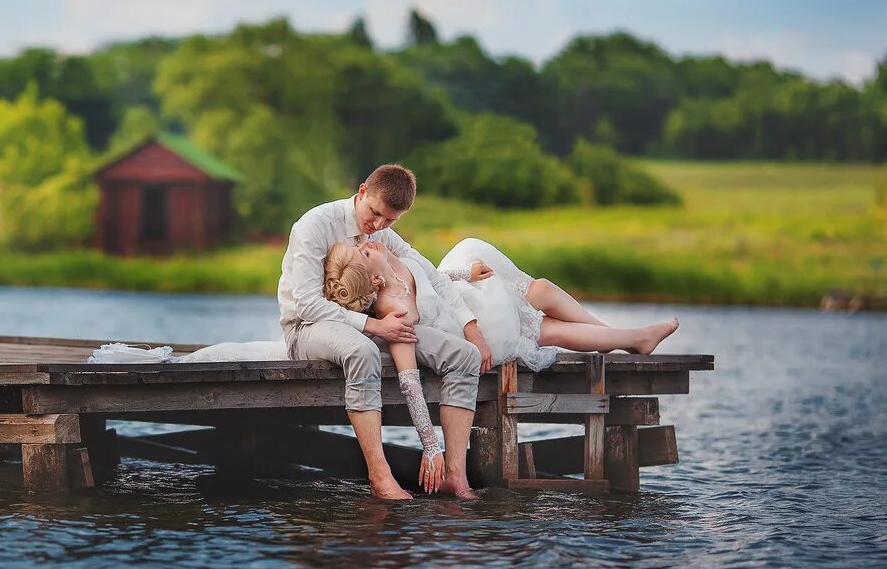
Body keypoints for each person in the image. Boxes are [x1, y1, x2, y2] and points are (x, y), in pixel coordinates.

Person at [323, 238, 680, 495]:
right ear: (375, 281)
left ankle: (625, 337)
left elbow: (437, 279)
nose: (367, 243)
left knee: (540, 291)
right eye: (363, 251)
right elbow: (410, 383)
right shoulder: (394, 316)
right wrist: (432, 447)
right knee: (544, 326)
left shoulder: (396, 264)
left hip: (466, 306)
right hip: (479, 334)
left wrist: (466, 272)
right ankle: (632, 338)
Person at [278, 164, 487, 500]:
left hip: (371, 323)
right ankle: (380, 477)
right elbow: (305, 304)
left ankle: (454, 475)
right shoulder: (314, 225)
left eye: (389, 220)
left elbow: (430, 273)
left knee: (464, 356)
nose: (377, 225)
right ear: (362, 192)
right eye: (374, 213)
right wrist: (375, 325)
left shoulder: (381, 235)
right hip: (308, 328)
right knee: (361, 352)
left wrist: (470, 326)